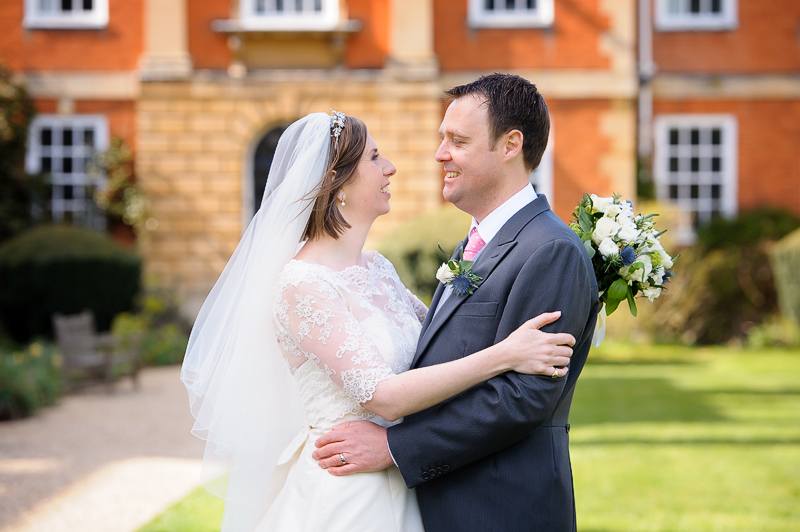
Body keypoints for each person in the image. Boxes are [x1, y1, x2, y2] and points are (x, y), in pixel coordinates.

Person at [181, 110, 576, 532]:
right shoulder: (302, 284)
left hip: (408, 479)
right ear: (337, 184)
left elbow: (440, 341)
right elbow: (384, 396)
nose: (390, 167)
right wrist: (507, 354)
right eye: (373, 158)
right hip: (347, 490)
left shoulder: (379, 268)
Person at [312, 74, 599, 532]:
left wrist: (393, 447)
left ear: (510, 145)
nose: (439, 153)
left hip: (501, 509)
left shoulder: (550, 249)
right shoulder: (479, 242)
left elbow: (522, 399)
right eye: (442, 138)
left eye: (457, 141)